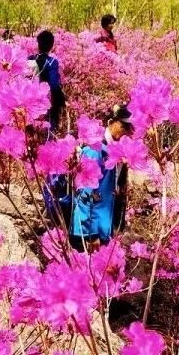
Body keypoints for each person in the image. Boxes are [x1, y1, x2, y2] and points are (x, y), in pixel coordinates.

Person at [70, 105, 134, 249]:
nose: (127, 131)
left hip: (105, 228)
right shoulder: (95, 149)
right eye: (124, 125)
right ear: (111, 122)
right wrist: (91, 234)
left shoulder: (117, 149)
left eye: (130, 128)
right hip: (89, 233)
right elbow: (85, 192)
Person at [28, 30, 65, 134]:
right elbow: (54, 85)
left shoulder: (30, 58)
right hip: (46, 100)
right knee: (48, 130)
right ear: (51, 45)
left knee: (31, 131)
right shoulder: (52, 62)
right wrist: (62, 100)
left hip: (29, 99)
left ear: (38, 43)